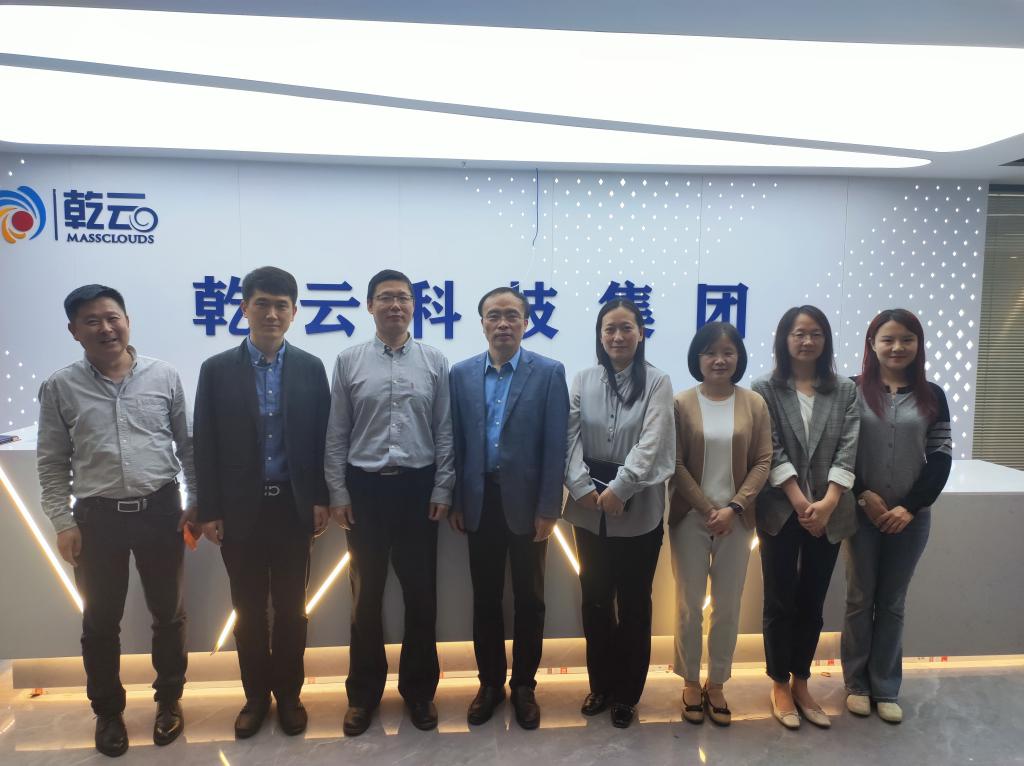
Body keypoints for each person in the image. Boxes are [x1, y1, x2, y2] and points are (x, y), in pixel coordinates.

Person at [37, 285, 197, 757]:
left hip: (161, 511)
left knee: (168, 614)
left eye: (113, 317)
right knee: (100, 621)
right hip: (96, 519)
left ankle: (169, 700)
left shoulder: (164, 375)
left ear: (127, 321)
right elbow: (51, 462)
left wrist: (197, 501)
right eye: (92, 321)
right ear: (74, 331)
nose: (106, 328)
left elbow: (187, 447)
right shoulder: (60, 387)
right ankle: (108, 712)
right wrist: (62, 521)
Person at [193, 266, 331, 738]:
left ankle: (289, 695)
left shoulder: (311, 368)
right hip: (239, 513)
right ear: (244, 308)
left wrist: (321, 498)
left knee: (292, 609)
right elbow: (204, 443)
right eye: (262, 304)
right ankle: (255, 697)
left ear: (294, 312)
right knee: (248, 610)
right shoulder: (216, 370)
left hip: (293, 508)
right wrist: (209, 509)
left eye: (281, 306)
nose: (272, 314)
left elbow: (323, 440)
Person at [325, 269, 455, 735]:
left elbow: (444, 431)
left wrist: (443, 487)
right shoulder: (348, 361)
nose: (395, 305)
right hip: (365, 490)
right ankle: (363, 695)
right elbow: (337, 432)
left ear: (414, 306)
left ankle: (420, 693)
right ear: (370, 306)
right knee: (365, 598)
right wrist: (338, 492)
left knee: (421, 596)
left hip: (418, 490)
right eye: (385, 297)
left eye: (403, 297)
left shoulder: (435, 361)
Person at [448, 286, 569, 730]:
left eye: (512, 316)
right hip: (479, 502)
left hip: (528, 506)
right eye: (494, 316)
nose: (503, 324)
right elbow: (456, 443)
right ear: (482, 322)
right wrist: (458, 499)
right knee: (485, 599)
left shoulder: (549, 372)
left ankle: (524, 686)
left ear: (525, 322)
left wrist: (549, 507)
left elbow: (555, 446)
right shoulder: (461, 374)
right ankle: (489, 684)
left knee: (530, 600)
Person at [563, 298, 675, 728]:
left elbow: (653, 441)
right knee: (594, 601)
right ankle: (601, 684)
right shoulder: (583, 379)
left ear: (641, 333)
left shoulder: (658, 381)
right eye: (609, 328)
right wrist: (580, 486)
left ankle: (627, 693)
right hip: (588, 510)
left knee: (633, 605)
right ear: (600, 334)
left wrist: (621, 487)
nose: (617, 336)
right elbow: (569, 438)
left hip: (639, 510)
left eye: (626, 327)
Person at [751, 305, 859, 730]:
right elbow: (770, 447)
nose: (807, 340)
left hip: (830, 512)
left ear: (825, 340)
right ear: (785, 338)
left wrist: (828, 502)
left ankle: (802, 680)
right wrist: (799, 501)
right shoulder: (765, 388)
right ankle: (779, 683)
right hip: (781, 509)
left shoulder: (845, 389)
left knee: (813, 601)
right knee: (779, 600)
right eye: (799, 333)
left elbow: (848, 446)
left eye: (815, 333)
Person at [842, 309, 951, 724]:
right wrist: (862, 495)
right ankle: (856, 684)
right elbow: (838, 451)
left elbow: (940, 457)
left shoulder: (932, 395)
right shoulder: (851, 390)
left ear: (918, 344)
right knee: (859, 598)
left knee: (892, 602)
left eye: (907, 339)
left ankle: (886, 687)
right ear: (872, 344)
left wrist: (910, 506)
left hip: (910, 518)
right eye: (887, 339)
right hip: (860, 514)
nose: (897, 347)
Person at [668, 321, 772, 726]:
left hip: (737, 520)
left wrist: (734, 507)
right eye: (710, 352)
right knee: (689, 605)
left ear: (738, 358)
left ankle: (717, 682)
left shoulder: (754, 404)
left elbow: (763, 460)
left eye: (728, 352)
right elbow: (674, 462)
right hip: (689, 518)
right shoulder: (681, 403)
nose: (719, 359)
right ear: (698, 358)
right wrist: (705, 507)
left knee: (728, 605)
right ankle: (690, 681)